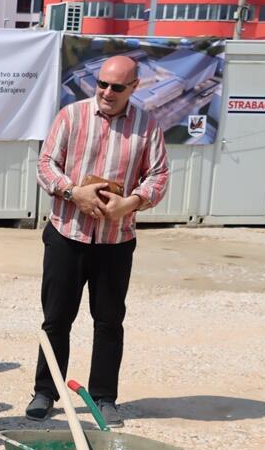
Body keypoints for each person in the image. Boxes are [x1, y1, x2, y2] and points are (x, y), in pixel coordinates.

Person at [27, 55, 169, 428]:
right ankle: (46, 390)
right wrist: (74, 193)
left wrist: (132, 203)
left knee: (108, 321)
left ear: (133, 88)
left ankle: (104, 397)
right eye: (102, 84)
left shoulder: (148, 125)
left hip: (115, 241)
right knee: (56, 319)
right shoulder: (70, 116)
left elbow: (158, 175)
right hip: (67, 234)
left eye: (116, 87)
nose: (106, 92)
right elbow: (46, 165)